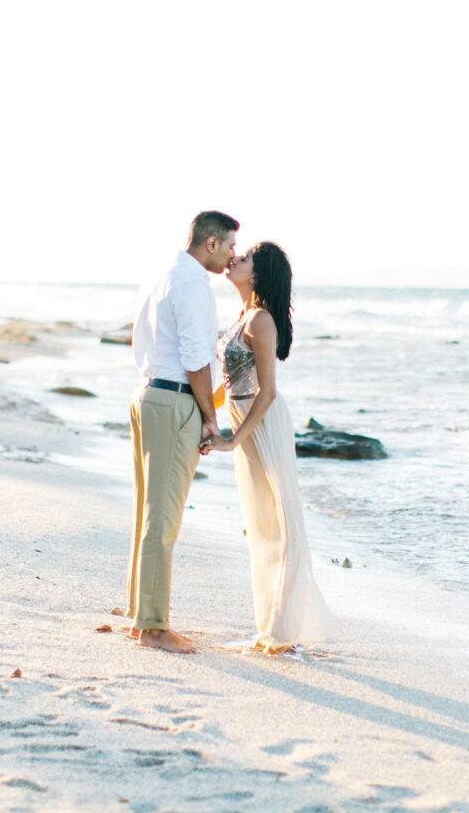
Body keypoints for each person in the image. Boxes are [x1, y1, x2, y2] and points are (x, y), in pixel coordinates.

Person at [207, 242, 332, 654]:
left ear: (257, 275)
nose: (234, 259)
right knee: (260, 524)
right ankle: (269, 628)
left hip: (263, 427)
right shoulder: (242, 316)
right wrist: (206, 413)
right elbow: (231, 386)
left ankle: (281, 632)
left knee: (280, 524)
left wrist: (232, 440)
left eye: (244, 259)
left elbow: (268, 393)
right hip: (245, 423)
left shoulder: (260, 320)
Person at [126, 210, 238, 654]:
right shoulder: (192, 283)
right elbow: (195, 357)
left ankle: (141, 618)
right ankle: (152, 627)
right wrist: (210, 417)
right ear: (210, 243)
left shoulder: (163, 272)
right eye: (229, 246)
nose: (232, 257)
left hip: (148, 393)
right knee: (163, 519)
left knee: (148, 515)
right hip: (173, 399)